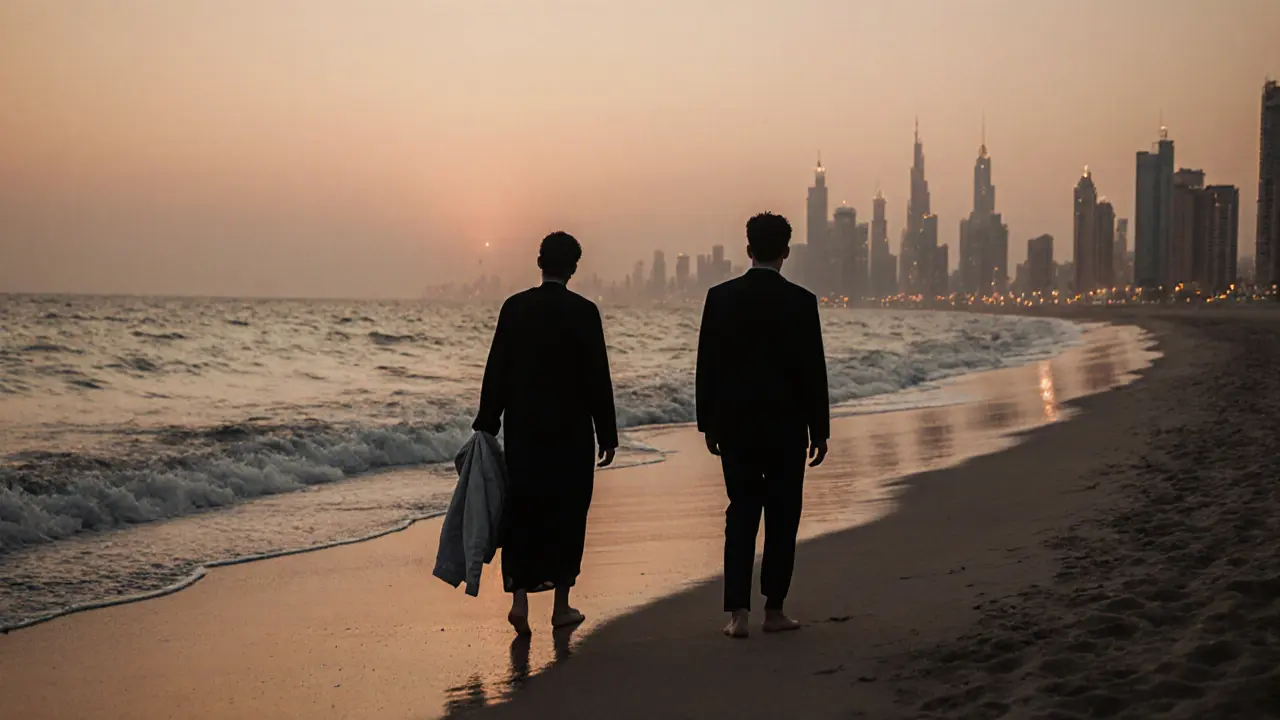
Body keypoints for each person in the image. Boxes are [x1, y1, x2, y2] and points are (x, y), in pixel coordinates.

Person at [473, 231, 618, 635]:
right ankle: (561, 606)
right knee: (568, 512)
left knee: (523, 509)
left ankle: (519, 601)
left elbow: (497, 369)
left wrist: (488, 421)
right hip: (571, 431)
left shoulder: (514, 307)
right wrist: (607, 433)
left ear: (540, 263)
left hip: (525, 429)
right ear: (573, 268)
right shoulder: (584, 312)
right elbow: (598, 378)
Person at [695, 212, 830, 639]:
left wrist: (707, 423)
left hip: (735, 425)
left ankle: (738, 614)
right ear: (786, 252)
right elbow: (813, 372)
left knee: (741, 513)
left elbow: (707, 366)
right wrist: (820, 429)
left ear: (748, 249)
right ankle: (774, 610)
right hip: (787, 427)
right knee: (783, 516)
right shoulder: (801, 301)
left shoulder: (720, 297)